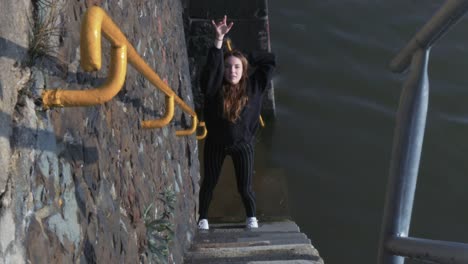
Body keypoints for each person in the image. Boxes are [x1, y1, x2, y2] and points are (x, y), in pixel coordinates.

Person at [197, 15, 276, 230]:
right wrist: (219, 41)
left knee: (245, 188)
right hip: (215, 143)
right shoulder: (214, 87)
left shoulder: (255, 86)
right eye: (229, 67)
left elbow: (270, 60)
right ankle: (202, 218)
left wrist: (245, 57)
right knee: (209, 183)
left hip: (243, 145)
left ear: (244, 71)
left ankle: (251, 217)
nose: (232, 71)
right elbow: (210, 72)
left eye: (237, 68)